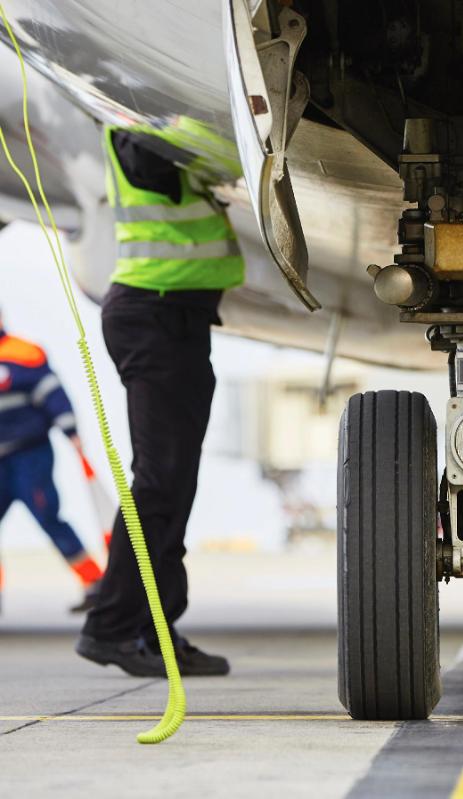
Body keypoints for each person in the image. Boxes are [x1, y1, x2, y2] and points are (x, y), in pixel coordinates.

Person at [76, 124, 245, 677]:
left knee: (172, 485)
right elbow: (210, 153)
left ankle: (154, 632)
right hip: (156, 315)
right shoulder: (139, 130)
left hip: (174, 316)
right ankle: (111, 628)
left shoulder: (152, 126)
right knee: (159, 482)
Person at [0, 311, 103, 612]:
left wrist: (70, 430)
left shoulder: (23, 353)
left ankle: (95, 583)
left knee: (48, 516)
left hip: (29, 455)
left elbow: (51, 392)